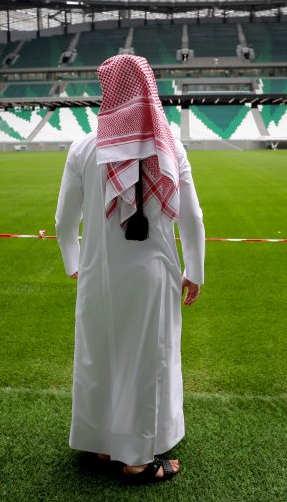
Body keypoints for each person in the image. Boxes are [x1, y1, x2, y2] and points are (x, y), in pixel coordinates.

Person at [55, 54, 205, 483]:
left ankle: (103, 444)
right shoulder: (171, 146)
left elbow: (65, 221)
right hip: (153, 278)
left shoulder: (83, 148)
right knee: (146, 362)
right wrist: (194, 269)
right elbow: (192, 217)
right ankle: (138, 457)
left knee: (100, 356)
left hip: (98, 275)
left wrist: (73, 261)